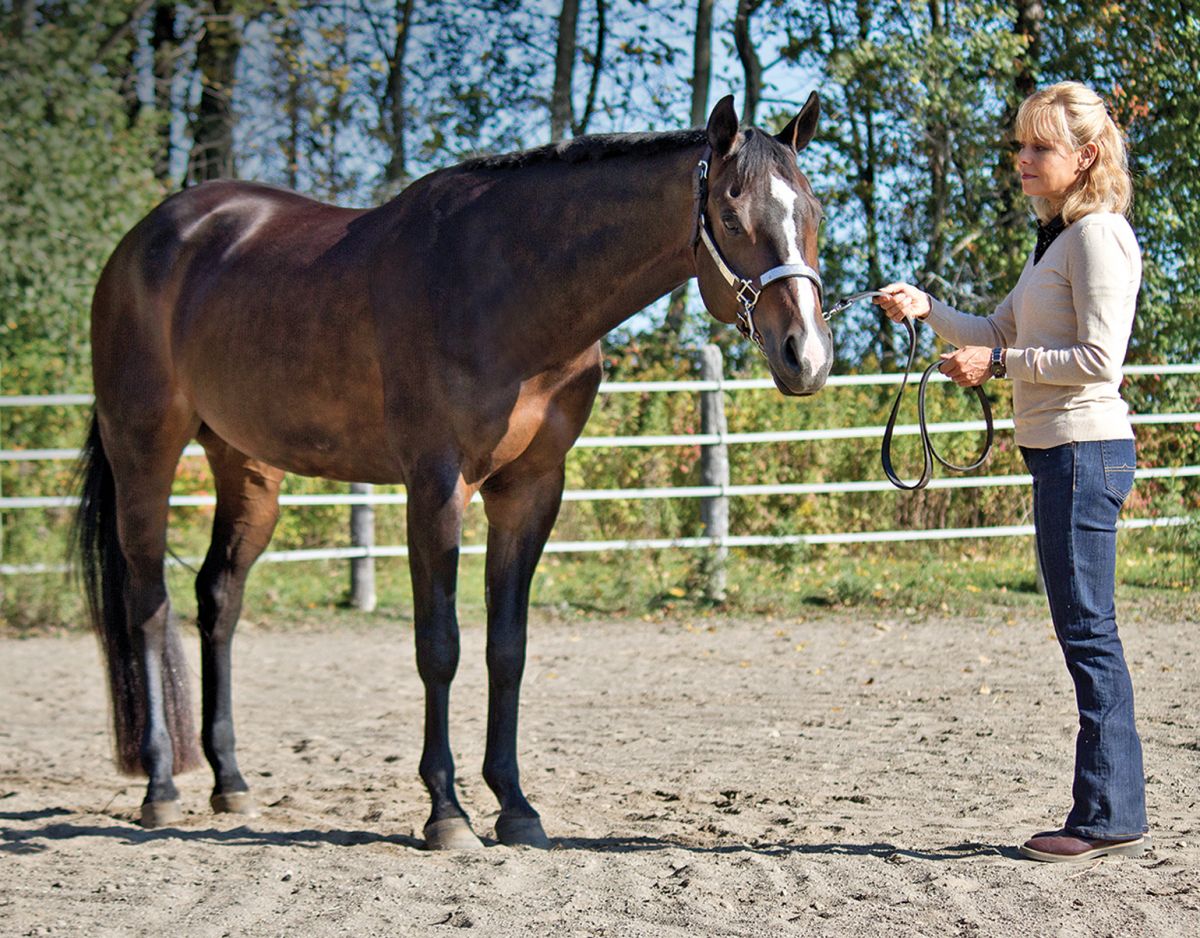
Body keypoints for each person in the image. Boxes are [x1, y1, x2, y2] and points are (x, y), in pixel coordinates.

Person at [875, 81, 1149, 863]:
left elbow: (1100, 359)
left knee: (1090, 632)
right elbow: (997, 328)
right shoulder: (1057, 243)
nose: (1022, 159)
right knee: (1086, 630)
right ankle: (1109, 810)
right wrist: (928, 309)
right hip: (1061, 452)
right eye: (1021, 145)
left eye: (1039, 147)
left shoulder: (1098, 238)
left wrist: (999, 362)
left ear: (1085, 157)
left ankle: (1106, 817)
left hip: (1082, 449)